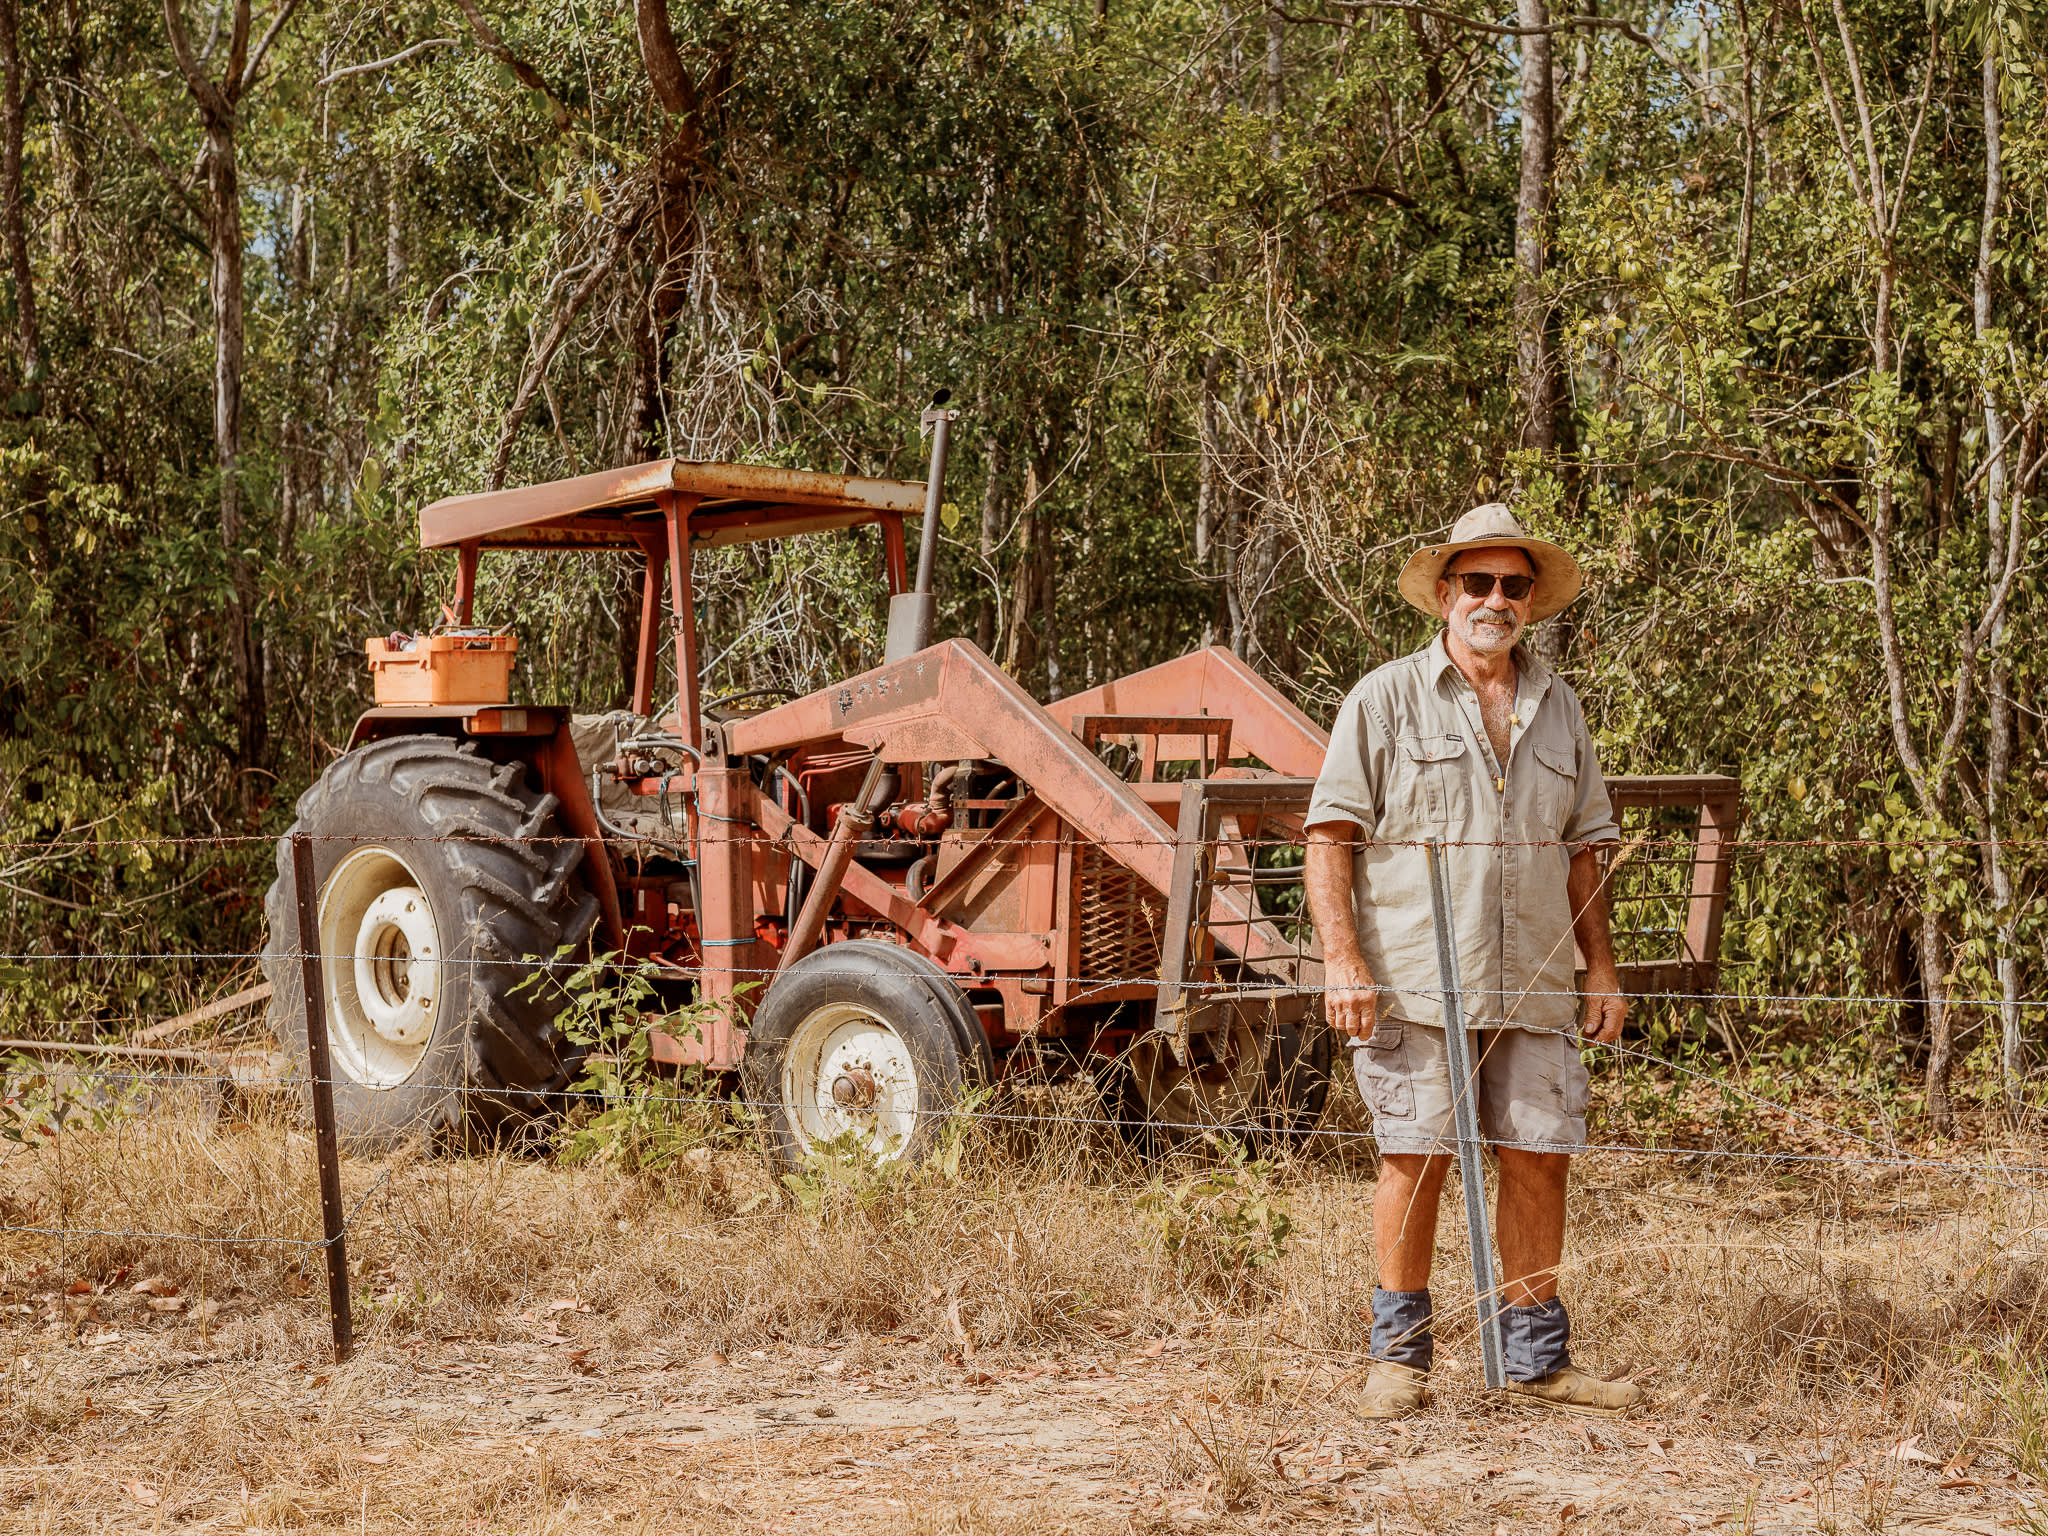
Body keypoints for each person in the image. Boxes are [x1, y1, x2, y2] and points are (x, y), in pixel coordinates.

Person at [1301, 502, 1641, 1420]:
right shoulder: (1382, 699)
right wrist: (1343, 960)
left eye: (1514, 586)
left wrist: (1600, 969)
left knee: (1539, 1154)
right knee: (1416, 1155)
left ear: (1531, 600)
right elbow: (1330, 837)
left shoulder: (1558, 703)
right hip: (1415, 977)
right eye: (1478, 583)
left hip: (1533, 975)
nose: (1496, 600)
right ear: (1444, 595)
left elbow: (1585, 848)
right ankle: (1399, 1360)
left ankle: (1534, 1362)